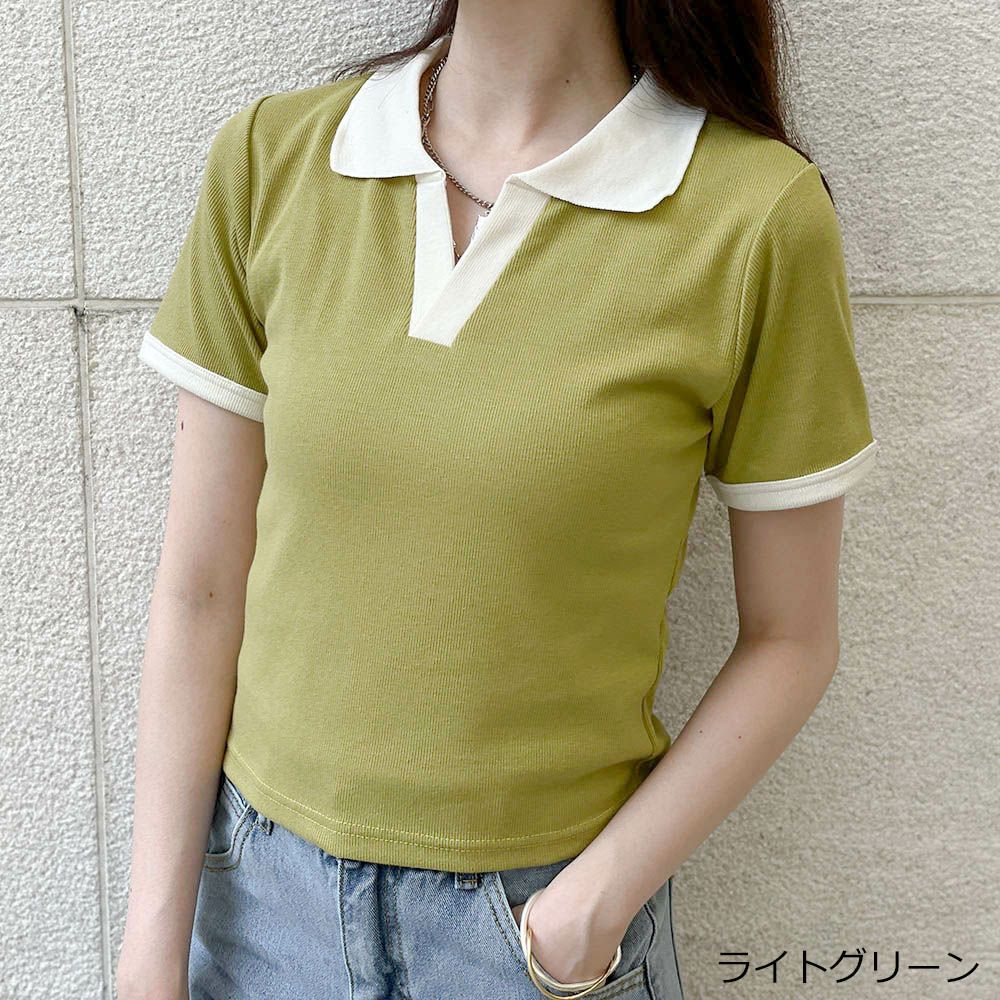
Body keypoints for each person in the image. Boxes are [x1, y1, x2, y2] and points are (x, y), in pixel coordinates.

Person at [116, 2, 879, 998]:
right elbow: (200, 589)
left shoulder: (752, 217)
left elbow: (791, 636)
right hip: (257, 917)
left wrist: (585, 909)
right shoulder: (276, 159)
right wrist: (149, 953)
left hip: (530, 936)